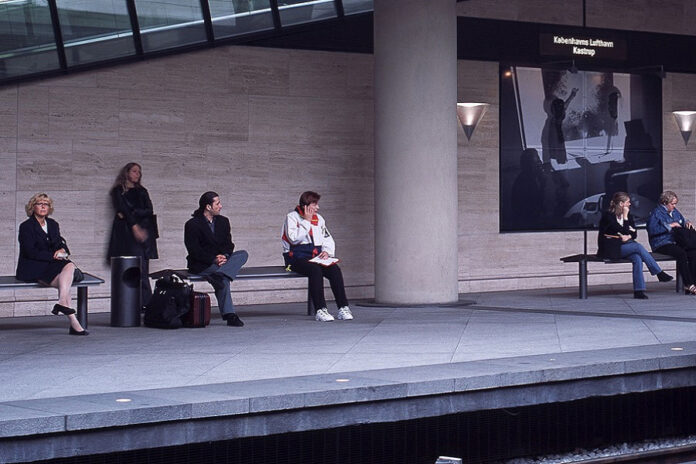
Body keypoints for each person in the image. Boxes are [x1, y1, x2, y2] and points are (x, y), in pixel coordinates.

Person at [16, 193, 88, 335]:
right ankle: (73, 322)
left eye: (46, 204)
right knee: (65, 284)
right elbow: (30, 252)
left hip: (50, 264)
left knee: (69, 266)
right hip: (32, 266)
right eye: (40, 203)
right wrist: (53, 255)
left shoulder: (53, 224)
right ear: (32, 207)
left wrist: (62, 250)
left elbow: (60, 243)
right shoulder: (26, 226)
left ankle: (62, 304)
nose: (43, 206)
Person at [281, 191, 353, 322]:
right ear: (306, 205)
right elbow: (294, 239)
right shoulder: (291, 217)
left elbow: (327, 238)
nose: (317, 208)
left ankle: (343, 307)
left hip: (315, 257)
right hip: (293, 260)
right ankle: (320, 309)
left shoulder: (319, 219)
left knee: (335, 270)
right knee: (315, 270)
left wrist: (326, 252)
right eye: (315, 204)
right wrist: (307, 221)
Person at [184, 192, 248, 327]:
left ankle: (219, 274)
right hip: (203, 264)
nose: (221, 206)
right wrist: (214, 259)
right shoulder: (192, 224)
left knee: (243, 254)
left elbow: (228, 245)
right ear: (208, 206)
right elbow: (194, 250)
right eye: (217, 203)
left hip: (221, 262)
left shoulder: (223, 222)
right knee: (223, 280)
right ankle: (230, 315)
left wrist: (224, 256)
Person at [597, 191, 673, 299]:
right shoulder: (608, 216)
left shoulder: (629, 215)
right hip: (610, 248)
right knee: (638, 247)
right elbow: (623, 230)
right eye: (628, 202)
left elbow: (634, 234)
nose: (630, 204)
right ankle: (658, 272)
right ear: (621, 204)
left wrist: (628, 236)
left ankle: (639, 291)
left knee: (637, 258)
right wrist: (625, 219)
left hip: (625, 246)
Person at [107, 163, 158, 307]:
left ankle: (146, 303)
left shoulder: (142, 191)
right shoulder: (118, 190)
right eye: (134, 171)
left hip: (144, 232)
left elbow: (149, 210)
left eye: (139, 172)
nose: (138, 174)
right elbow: (121, 208)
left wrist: (132, 212)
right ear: (127, 172)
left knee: (143, 267)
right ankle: (134, 303)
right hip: (126, 234)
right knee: (129, 269)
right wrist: (133, 222)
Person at [647, 191, 696, 295]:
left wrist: (687, 223)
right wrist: (670, 226)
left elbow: (682, 221)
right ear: (665, 203)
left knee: (693, 252)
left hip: (676, 241)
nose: (674, 206)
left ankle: (694, 283)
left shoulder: (674, 211)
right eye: (672, 204)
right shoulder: (655, 213)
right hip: (661, 243)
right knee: (681, 253)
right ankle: (688, 283)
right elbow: (652, 230)